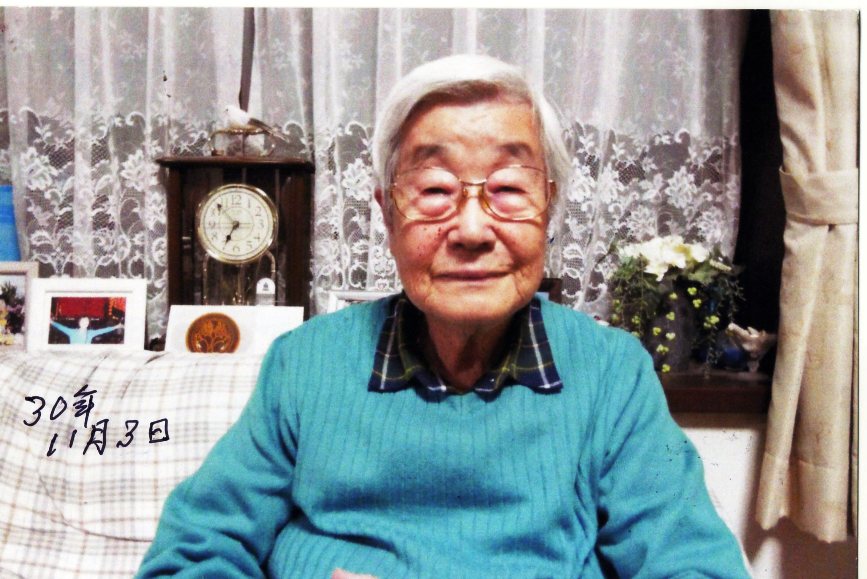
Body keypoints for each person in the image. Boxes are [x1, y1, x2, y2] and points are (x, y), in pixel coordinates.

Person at [137, 54, 749, 578]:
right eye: (433, 190)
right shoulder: (304, 364)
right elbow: (193, 553)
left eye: (509, 188)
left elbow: (694, 565)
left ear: (549, 208)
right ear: (387, 214)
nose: (472, 230)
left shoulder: (611, 374)